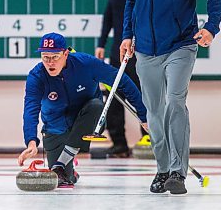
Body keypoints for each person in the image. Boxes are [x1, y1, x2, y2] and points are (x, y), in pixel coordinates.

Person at [112, 0, 221, 194]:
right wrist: (127, 35)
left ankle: (178, 171)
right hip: (146, 49)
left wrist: (211, 27)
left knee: (175, 101)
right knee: (154, 112)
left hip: (180, 45)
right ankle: (162, 170)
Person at [18, 32, 147, 188]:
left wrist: (143, 115)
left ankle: (63, 163)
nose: (50, 63)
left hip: (89, 119)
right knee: (63, 180)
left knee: (96, 105)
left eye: (55, 57)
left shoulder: (86, 64)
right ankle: (69, 168)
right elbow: (30, 109)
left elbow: (122, 81)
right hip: (55, 127)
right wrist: (31, 142)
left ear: (66, 54)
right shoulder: (36, 76)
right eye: (45, 57)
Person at [95, 0, 147, 158]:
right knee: (114, 99)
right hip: (118, 51)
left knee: (144, 97)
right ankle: (119, 145)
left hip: (141, 52)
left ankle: (149, 140)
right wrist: (101, 43)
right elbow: (109, 15)